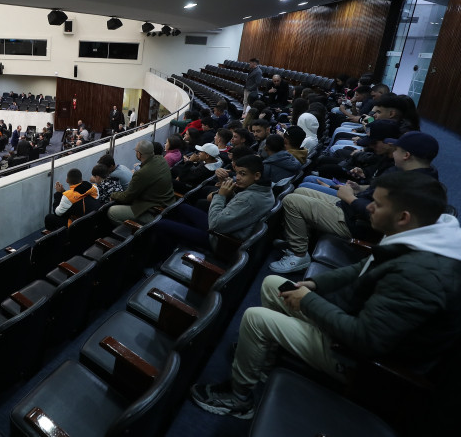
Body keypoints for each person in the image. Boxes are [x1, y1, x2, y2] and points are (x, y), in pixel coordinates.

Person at [191, 172, 461, 420]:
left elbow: (365, 340)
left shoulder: (420, 276)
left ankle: (239, 398)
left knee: (255, 318)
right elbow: (362, 269)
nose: (367, 207)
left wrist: (307, 300)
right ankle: (261, 361)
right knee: (275, 283)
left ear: (403, 217)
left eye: (377, 204)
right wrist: (314, 285)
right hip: (352, 316)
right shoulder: (422, 234)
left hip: (362, 362)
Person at [270, 121, 431, 274]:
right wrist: (358, 188)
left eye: (397, 150)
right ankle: (298, 239)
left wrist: (350, 198)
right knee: (301, 192)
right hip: (353, 209)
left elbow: (379, 217)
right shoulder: (409, 173)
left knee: (291, 201)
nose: (393, 151)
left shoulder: (410, 184)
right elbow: (378, 193)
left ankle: (298, 255)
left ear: (406, 155)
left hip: (355, 222)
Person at [154, 154, 274, 251]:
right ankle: (177, 242)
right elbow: (237, 208)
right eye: (237, 173)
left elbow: (215, 225)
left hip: (220, 240)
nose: (237, 178)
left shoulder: (249, 199)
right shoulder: (264, 190)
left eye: (243, 174)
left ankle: (163, 253)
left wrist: (221, 195)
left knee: (162, 224)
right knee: (182, 207)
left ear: (257, 175)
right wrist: (228, 191)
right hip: (227, 228)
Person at [107, 139, 176, 224]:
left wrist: (113, 194)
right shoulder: (162, 160)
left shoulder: (141, 173)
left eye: (136, 151)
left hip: (154, 211)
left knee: (112, 211)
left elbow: (127, 197)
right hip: (170, 205)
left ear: (139, 154)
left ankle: (135, 233)